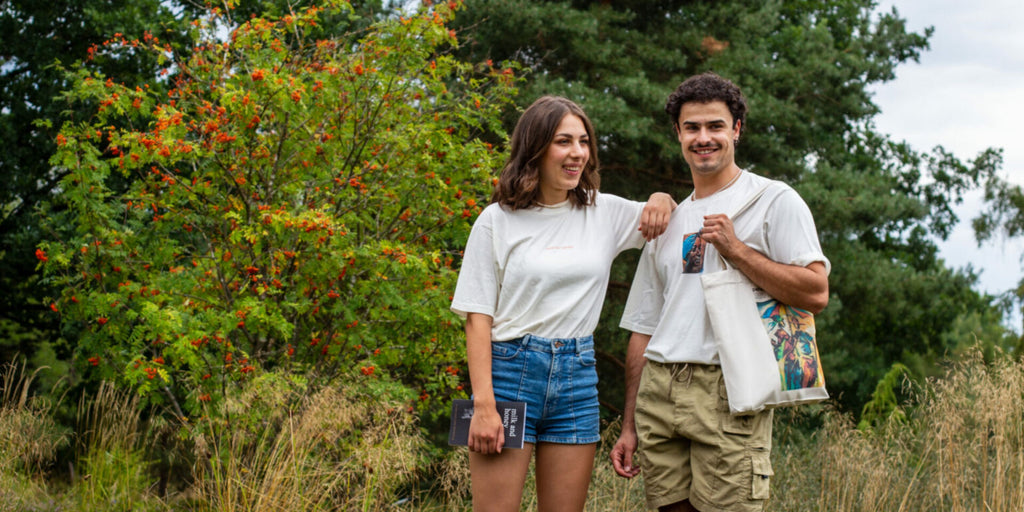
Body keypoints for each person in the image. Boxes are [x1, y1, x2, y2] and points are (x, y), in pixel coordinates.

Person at [610, 72, 830, 512]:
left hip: (727, 387)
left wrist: (736, 250)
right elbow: (643, 327)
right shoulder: (669, 219)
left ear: (737, 129)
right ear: (678, 133)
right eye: (692, 127)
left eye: (715, 126)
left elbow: (816, 291)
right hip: (660, 386)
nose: (703, 137)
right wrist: (629, 423)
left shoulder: (773, 199)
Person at [450, 95, 676, 512]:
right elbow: (476, 317)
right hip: (509, 376)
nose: (577, 153)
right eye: (563, 141)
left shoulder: (603, 212)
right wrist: (483, 405)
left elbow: (666, 217)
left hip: (577, 376)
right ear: (535, 148)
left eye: (583, 141)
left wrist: (662, 196)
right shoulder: (496, 220)